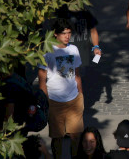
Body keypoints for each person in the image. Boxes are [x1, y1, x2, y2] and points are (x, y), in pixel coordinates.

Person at [38, 18, 84, 159]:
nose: (67, 36)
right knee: (57, 137)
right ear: (55, 34)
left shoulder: (73, 49)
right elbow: (42, 78)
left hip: (73, 99)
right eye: (64, 33)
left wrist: (81, 95)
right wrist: (45, 100)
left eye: (69, 33)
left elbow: (77, 75)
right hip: (54, 100)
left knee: (75, 136)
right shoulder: (48, 51)